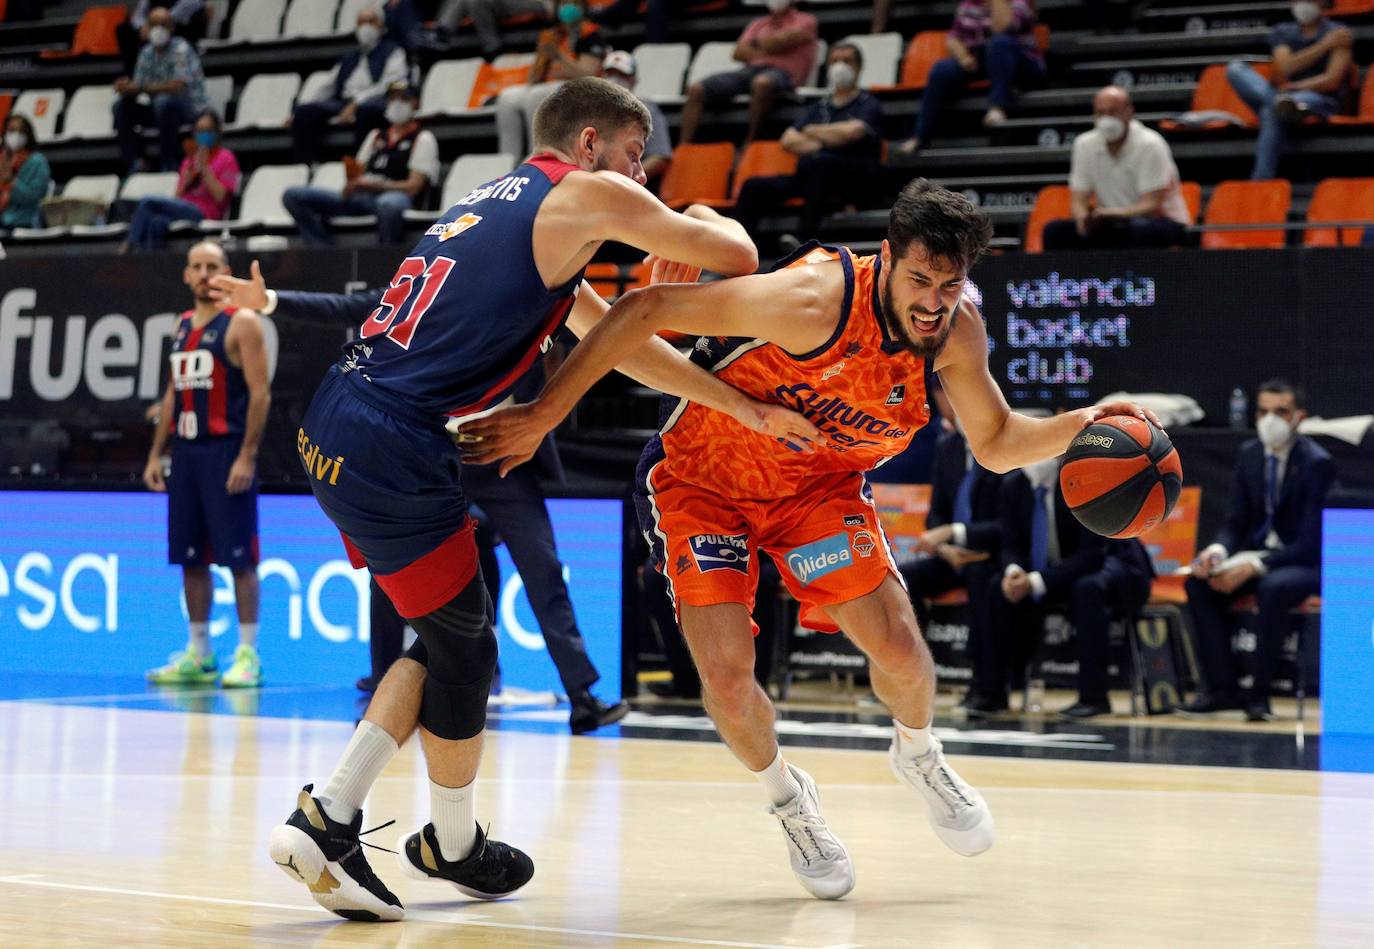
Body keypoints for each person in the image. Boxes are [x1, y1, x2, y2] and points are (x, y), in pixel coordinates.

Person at [461, 179, 1157, 899]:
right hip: (703, 482)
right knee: (728, 681)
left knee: (905, 658)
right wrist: (544, 412)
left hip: (814, 493)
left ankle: (918, 754)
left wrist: (1082, 423)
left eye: (950, 285)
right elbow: (645, 308)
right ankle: (790, 800)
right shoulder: (810, 301)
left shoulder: (955, 332)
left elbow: (998, 441)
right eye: (919, 278)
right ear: (886, 258)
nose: (932, 300)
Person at [263, 77, 821, 923]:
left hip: (340, 422)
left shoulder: (492, 205)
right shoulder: (582, 193)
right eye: (638, 158)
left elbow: (620, 337)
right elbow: (741, 257)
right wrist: (698, 213)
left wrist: (741, 405)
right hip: (392, 434)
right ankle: (331, 816)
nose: (643, 179)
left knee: (456, 640)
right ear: (590, 145)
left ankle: (447, 841)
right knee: (460, 644)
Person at [212, 264, 631, 733]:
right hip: (435, 457)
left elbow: (593, 342)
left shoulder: (537, 292)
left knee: (543, 568)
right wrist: (269, 300)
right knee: (387, 566)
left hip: (508, 454)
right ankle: (381, 684)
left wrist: (546, 411)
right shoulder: (434, 288)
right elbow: (345, 307)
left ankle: (582, 696)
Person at [141, 241, 270, 692]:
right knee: (190, 560)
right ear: (186, 275)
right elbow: (174, 393)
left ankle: (248, 655)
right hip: (187, 457)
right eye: (196, 266)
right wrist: (158, 453)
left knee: (239, 559)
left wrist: (247, 456)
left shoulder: (243, 323)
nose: (203, 272)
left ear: (225, 272)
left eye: (212, 266)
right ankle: (199, 653)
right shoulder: (180, 327)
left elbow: (260, 393)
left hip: (226, 452)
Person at [1179, 379, 1334, 722]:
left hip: (1305, 563)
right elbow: (1235, 522)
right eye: (1263, 412)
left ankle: (1259, 695)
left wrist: (1255, 566)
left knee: (1273, 587)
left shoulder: (1316, 463)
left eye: (1281, 412)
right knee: (1198, 583)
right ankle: (1222, 689)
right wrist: (1217, 552)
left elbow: (1309, 543)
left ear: (1299, 417)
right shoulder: (1250, 455)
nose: (1270, 420)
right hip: (1259, 556)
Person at [982, 457, 1153, 719]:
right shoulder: (1014, 485)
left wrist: (1036, 582)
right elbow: (1010, 543)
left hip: (1114, 565)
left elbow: (1092, 554)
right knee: (997, 586)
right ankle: (991, 693)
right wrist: (1014, 571)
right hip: (1058, 572)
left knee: (1086, 589)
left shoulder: (1084, 483)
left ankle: (1094, 698)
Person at [734, 42, 883, 251]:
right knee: (753, 186)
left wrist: (812, 132)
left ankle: (804, 240)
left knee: (822, 163)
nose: (840, 66)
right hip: (811, 175)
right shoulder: (819, 106)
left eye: (847, 61)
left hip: (851, 179)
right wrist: (830, 138)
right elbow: (788, 139)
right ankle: (741, 250)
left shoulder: (868, 103)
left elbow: (853, 132)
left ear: (858, 67)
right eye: (835, 61)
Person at [900, 418, 1004, 708]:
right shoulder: (948, 447)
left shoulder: (1004, 449)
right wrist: (944, 546)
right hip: (950, 555)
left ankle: (987, 690)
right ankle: (908, 676)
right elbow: (936, 513)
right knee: (903, 580)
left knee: (982, 581)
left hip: (991, 555)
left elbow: (1008, 524)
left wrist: (957, 533)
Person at [284, 83, 438, 246]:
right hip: (363, 198)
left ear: (416, 103)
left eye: (404, 98)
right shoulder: (375, 135)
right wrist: (352, 184)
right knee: (294, 196)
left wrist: (376, 186)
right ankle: (325, 250)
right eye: (392, 98)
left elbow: (413, 187)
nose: (397, 103)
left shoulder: (423, 138)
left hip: (398, 197)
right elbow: (358, 172)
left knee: (387, 205)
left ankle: (387, 259)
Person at [1042, 85, 1192, 250]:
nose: (1106, 119)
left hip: (1164, 223)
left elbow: (1152, 205)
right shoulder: (1084, 144)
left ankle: (1137, 277)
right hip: (1114, 222)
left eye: (1113, 112)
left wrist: (1111, 213)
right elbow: (1078, 199)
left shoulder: (1151, 143)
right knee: (1055, 231)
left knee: (1137, 229)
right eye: (1100, 113)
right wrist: (1082, 220)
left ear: (1129, 112)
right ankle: (1069, 276)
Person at [896, 0, 1046, 155]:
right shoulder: (969, 5)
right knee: (942, 69)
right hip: (981, 60)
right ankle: (919, 136)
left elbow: (1002, 27)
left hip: (1022, 63)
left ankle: (997, 107)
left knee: (999, 43)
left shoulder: (1020, 3)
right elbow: (953, 37)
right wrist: (963, 57)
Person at [1226, 0, 1353, 180]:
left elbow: (1331, 81)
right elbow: (1283, 69)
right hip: (1284, 95)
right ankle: (1285, 106)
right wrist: (1325, 45)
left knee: (1271, 109)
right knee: (1236, 69)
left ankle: (1260, 181)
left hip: (1320, 99)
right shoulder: (1284, 31)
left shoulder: (1339, 32)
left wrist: (1293, 88)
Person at [679, 0, 819, 147]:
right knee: (696, 89)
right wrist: (774, 45)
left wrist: (755, 44)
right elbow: (738, 53)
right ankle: (683, 147)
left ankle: (750, 143)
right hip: (748, 72)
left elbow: (786, 39)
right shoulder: (758, 23)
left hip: (784, 74)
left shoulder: (806, 20)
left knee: (762, 83)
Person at [291, 5, 408, 165]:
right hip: (344, 102)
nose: (366, 27)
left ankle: (359, 164)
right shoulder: (349, 58)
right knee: (305, 112)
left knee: (367, 111)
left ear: (381, 26)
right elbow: (328, 86)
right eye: (361, 22)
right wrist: (301, 109)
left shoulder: (393, 52)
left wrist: (357, 102)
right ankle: (307, 165)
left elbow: (390, 84)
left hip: (377, 102)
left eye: (371, 22)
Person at [495, 1, 607, 159]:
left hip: (580, 87)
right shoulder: (552, 35)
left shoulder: (590, 34)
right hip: (547, 85)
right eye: (563, 3)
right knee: (507, 97)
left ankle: (534, 156)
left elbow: (589, 73)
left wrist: (559, 56)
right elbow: (533, 79)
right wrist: (542, 57)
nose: (567, 7)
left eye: (572, 2)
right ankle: (507, 158)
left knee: (536, 96)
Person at [123, 109, 239, 252]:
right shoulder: (189, 160)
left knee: (147, 202)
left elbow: (220, 197)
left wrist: (205, 168)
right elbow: (177, 197)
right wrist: (187, 180)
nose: (204, 134)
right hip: (183, 209)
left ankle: (128, 247)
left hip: (205, 213)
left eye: (209, 130)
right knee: (156, 223)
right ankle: (151, 267)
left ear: (217, 132)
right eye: (200, 130)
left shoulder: (226, 158)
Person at [114, 5, 208, 173]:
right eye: (154, 24)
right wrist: (126, 87)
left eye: (163, 24)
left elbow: (176, 88)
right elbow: (138, 86)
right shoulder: (146, 53)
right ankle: (136, 160)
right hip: (159, 110)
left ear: (172, 27)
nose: (158, 29)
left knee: (164, 102)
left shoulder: (181, 48)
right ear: (147, 27)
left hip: (190, 109)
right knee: (121, 106)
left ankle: (168, 160)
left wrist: (140, 87)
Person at [602, 50, 672, 187]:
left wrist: (628, 180)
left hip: (634, 187)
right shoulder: (590, 110)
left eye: (622, 75)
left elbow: (660, 157)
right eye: (611, 74)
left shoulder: (646, 109)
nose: (615, 79)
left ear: (634, 79)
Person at [435, 0, 552, 61]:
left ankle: (443, 32)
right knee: (474, 2)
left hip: (535, 4)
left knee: (476, 1)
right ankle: (442, 32)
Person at [119, 1, 208, 76]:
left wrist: (162, 21)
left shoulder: (182, 49)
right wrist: (142, 26)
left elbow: (192, 4)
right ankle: (131, 75)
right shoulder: (147, 52)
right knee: (124, 29)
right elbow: (139, 14)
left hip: (178, 25)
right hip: (152, 25)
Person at [0, 114, 51, 229]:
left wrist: (11, 182)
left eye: (21, 131)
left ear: (28, 135)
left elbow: (34, 197)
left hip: (26, 219)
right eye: (12, 130)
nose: (16, 135)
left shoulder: (38, 162)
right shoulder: (2, 159)